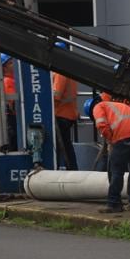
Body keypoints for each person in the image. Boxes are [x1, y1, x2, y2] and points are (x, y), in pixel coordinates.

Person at [91, 93, 130, 214]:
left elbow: (102, 125)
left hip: (124, 136)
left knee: (116, 171)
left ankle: (114, 203)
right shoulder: (117, 105)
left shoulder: (98, 107)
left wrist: (110, 141)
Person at [51, 42, 79, 170]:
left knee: (64, 146)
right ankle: (71, 169)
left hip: (62, 114)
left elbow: (56, 94)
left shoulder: (60, 72)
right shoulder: (69, 69)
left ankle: (71, 170)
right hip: (67, 114)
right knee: (66, 146)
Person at [0, 54, 18, 151]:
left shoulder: (13, 80)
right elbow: (13, 103)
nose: (13, 65)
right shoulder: (8, 81)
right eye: (10, 63)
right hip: (13, 119)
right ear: (4, 67)